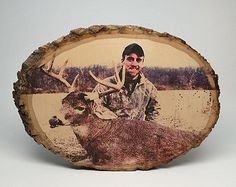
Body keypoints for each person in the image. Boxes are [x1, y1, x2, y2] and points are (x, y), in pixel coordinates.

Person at [92, 43, 160, 121]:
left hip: (138, 131)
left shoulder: (149, 88)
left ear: (143, 63)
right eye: (130, 59)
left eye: (138, 60)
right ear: (122, 61)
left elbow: (155, 113)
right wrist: (113, 120)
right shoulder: (105, 85)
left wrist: (147, 130)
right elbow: (94, 107)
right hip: (112, 131)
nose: (134, 64)